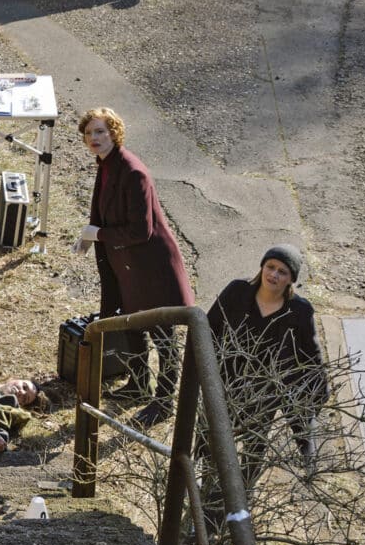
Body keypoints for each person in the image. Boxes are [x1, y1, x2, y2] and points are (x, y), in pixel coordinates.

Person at [75, 107, 194, 427]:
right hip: (126, 265)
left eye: (100, 131)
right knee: (129, 323)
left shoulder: (133, 171)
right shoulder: (106, 165)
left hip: (152, 267)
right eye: (89, 133)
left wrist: (96, 233)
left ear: (114, 133)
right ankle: (139, 385)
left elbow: (141, 231)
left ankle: (165, 401)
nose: (94, 139)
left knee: (163, 336)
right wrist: (91, 233)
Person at [207, 244, 329, 488]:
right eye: (270, 267)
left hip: (267, 389)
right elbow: (208, 328)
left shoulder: (300, 311)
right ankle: (207, 482)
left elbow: (311, 355)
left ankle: (244, 491)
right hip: (228, 380)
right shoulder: (237, 291)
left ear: (290, 279)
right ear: (262, 267)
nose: (273, 275)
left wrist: (317, 395)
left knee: (255, 442)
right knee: (212, 437)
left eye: (282, 272)